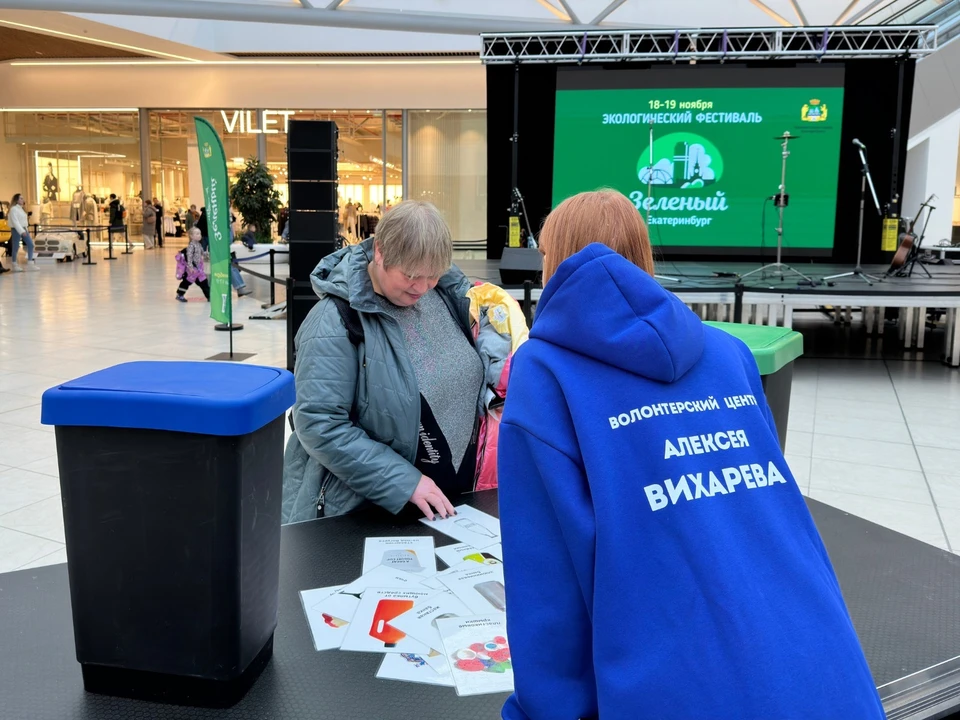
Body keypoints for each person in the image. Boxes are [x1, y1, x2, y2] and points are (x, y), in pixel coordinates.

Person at [497, 190, 884, 720]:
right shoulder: (729, 353)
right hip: (828, 674)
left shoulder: (543, 373)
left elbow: (548, 590)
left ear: (556, 261)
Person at [282, 200, 486, 523]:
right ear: (380, 252)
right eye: (411, 275)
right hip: (365, 512)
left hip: (453, 502)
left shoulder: (446, 295)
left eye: (433, 275)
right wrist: (405, 482)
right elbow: (319, 424)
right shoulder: (333, 320)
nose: (422, 287)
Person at [175, 228, 209, 302]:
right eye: (197, 234)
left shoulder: (199, 244)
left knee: (203, 281)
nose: (199, 235)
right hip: (192, 269)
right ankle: (180, 294)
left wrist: (207, 254)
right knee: (187, 282)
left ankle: (209, 296)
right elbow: (189, 257)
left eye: (200, 234)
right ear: (191, 236)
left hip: (198, 268)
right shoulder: (191, 246)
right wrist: (190, 267)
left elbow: (202, 253)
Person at [6, 194, 36, 272]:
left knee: (30, 244)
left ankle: (30, 264)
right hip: (16, 229)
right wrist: (21, 231)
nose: (23, 200)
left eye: (23, 198)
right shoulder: (13, 209)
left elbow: (23, 221)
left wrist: (25, 230)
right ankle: (14, 265)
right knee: (16, 247)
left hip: (24, 229)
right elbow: (15, 222)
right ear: (17, 200)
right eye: (21, 198)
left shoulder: (21, 209)